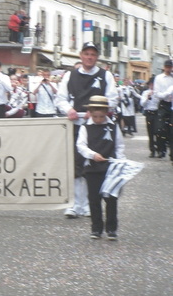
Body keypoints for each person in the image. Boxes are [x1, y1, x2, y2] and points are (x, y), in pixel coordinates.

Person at [55, 42, 118, 219]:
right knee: (76, 165)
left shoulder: (105, 76)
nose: (89, 57)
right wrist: (69, 110)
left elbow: (112, 99)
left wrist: (96, 110)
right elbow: (61, 98)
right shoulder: (70, 75)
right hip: (76, 125)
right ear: (81, 55)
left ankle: (91, 204)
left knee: (95, 166)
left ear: (97, 57)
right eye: (86, 53)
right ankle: (75, 204)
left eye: (93, 54)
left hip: (97, 126)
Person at [76, 95, 125, 240]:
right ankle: (96, 228)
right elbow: (80, 145)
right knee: (94, 199)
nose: (98, 119)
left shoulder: (113, 127)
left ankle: (111, 229)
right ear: (90, 112)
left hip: (110, 168)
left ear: (106, 113)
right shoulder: (85, 128)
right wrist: (92, 155)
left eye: (101, 116)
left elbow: (120, 146)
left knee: (111, 199)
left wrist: (120, 163)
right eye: (95, 116)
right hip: (92, 168)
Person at [153, 59, 173, 159]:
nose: (169, 69)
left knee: (171, 129)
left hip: (172, 105)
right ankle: (161, 150)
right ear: (164, 67)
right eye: (167, 67)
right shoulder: (159, 78)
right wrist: (167, 93)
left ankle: (172, 153)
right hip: (163, 104)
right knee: (160, 129)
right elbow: (157, 94)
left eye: (170, 67)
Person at [140, 77, 159, 158]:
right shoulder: (145, 93)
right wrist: (147, 98)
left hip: (157, 113)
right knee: (150, 132)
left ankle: (159, 148)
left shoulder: (158, 92)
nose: (152, 86)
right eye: (150, 84)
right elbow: (142, 104)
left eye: (153, 84)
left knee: (158, 131)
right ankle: (152, 150)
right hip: (149, 113)